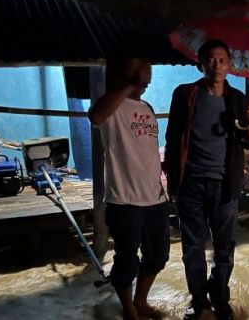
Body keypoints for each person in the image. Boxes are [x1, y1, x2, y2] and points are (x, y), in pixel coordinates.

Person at [164, 39, 249, 320]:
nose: (216, 65)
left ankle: (220, 297)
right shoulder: (185, 94)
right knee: (193, 249)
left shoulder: (237, 100)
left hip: (225, 185)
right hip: (191, 185)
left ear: (229, 64)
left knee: (225, 250)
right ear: (200, 63)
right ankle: (199, 300)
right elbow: (172, 138)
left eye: (222, 60)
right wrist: (173, 181)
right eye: (211, 60)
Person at [88, 58, 169, 320]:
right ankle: (128, 309)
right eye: (140, 72)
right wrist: (127, 87)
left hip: (155, 197)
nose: (146, 78)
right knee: (126, 259)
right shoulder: (111, 106)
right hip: (125, 199)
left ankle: (140, 300)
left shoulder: (146, 107)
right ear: (126, 74)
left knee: (158, 256)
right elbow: (95, 115)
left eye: (148, 72)